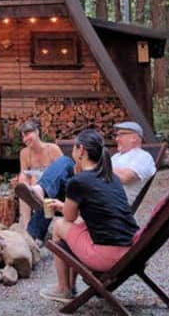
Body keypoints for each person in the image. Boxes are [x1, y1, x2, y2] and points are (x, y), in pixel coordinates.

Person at [40, 128, 139, 303]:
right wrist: (65, 205)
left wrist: (64, 206)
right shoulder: (111, 177)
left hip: (107, 256)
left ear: (81, 151)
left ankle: (64, 288)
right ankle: (70, 287)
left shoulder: (79, 181)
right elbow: (97, 211)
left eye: (73, 147)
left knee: (58, 226)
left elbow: (68, 219)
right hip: (131, 250)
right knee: (77, 223)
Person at [16, 120, 155, 241]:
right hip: (90, 190)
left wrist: (95, 164)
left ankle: (34, 224)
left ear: (134, 138)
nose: (116, 138)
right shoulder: (116, 157)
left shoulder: (143, 157)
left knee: (63, 164)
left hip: (103, 199)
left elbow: (125, 177)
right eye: (116, 135)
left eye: (121, 135)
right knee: (57, 178)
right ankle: (33, 235)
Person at [14, 120, 63, 229]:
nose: (25, 139)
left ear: (37, 132)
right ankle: (27, 226)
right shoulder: (24, 153)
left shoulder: (53, 149)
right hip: (33, 188)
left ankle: (38, 226)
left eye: (27, 134)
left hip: (54, 188)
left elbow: (63, 172)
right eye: (23, 137)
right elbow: (24, 173)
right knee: (24, 179)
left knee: (35, 181)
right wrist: (18, 179)